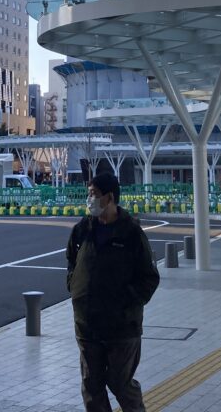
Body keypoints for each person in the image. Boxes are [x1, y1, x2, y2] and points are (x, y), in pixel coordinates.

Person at [66, 172, 160, 412]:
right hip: (87, 323)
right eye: (89, 194)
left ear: (109, 197)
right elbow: (71, 261)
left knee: (120, 383)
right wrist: (74, 286)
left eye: (93, 194)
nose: (89, 199)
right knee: (91, 386)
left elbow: (149, 278)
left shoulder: (131, 233)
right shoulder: (83, 229)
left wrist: (126, 303)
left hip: (121, 326)